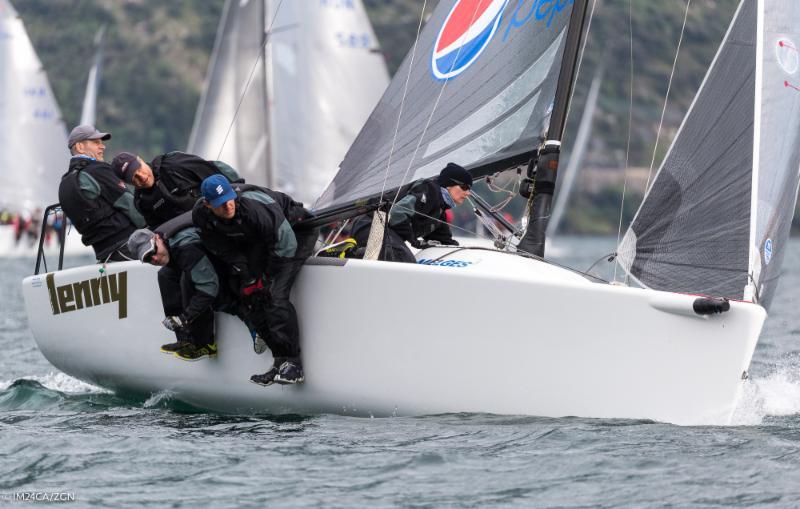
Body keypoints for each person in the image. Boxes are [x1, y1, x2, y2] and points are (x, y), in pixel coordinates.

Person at [192, 175, 317, 386]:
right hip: (261, 242)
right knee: (250, 297)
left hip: (295, 233)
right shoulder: (202, 216)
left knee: (273, 296)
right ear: (207, 204)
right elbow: (221, 248)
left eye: (229, 199)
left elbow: (285, 244)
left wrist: (266, 280)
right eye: (220, 204)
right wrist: (248, 276)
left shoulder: (254, 207)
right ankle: (279, 361)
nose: (228, 206)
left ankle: (294, 364)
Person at [126, 213, 253, 361]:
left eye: (152, 251)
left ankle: (204, 344)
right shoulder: (166, 241)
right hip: (204, 256)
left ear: (157, 238)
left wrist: (185, 317)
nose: (154, 259)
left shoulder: (183, 245)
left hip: (237, 255)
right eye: (147, 259)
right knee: (165, 276)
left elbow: (209, 288)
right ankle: (186, 339)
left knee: (188, 280)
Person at [352, 162, 472, 262]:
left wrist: (464, 254)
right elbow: (397, 214)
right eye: (465, 187)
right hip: (373, 223)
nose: (468, 193)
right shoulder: (429, 191)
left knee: (400, 260)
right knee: (401, 260)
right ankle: (348, 254)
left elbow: (444, 240)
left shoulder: (439, 209)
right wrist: (414, 242)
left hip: (380, 228)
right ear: (449, 184)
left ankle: (352, 254)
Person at [58, 125, 146, 261]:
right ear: (80, 147)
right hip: (130, 247)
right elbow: (131, 207)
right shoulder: (98, 170)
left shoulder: (64, 184)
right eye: (96, 143)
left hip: (103, 254)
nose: (103, 147)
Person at [111, 151, 242, 228]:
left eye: (139, 169)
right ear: (127, 183)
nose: (142, 177)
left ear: (141, 160)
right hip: (193, 235)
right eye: (134, 177)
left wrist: (239, 195)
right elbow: (160, 230)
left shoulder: (174, 164)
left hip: (222, 216)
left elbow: (215, 173)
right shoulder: (141, 203)